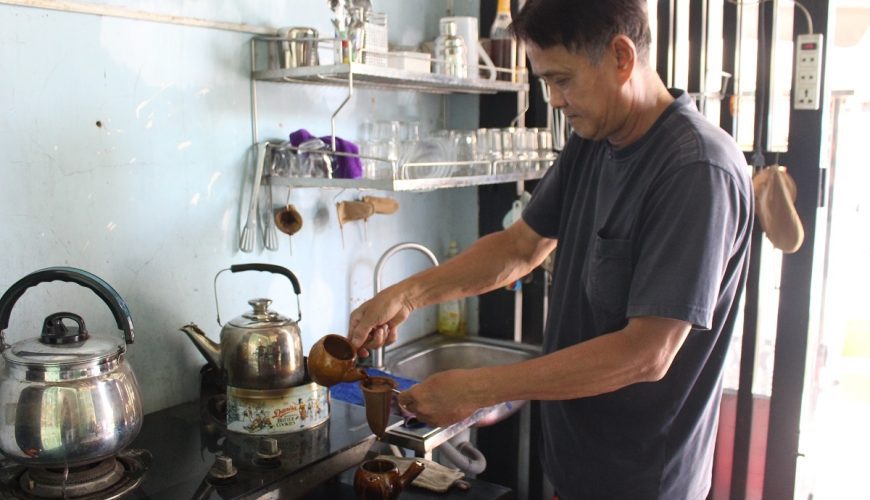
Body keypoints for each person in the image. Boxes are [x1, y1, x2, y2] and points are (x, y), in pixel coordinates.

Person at [348, 0, 753, 498]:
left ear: (622, 58)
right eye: (545, 83)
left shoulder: (695, 171)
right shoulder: (596, 138)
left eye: (562, 79)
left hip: (642, 480)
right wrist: (407, 295)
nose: (555, 99)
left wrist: (477, 389)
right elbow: (520, 247)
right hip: (576, 463)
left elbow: (647, 353)